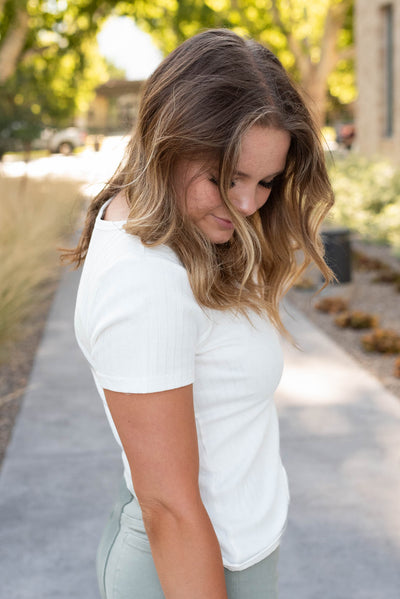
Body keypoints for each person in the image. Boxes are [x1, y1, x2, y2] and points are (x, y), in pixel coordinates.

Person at [64, 29, 333, 599]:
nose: (247, 204)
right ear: (169, 141)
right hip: (198, 568)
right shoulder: (145, 281)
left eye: (265, 181)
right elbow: (169, 507)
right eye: (225, 177)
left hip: (227, 551)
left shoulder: (171, 226)